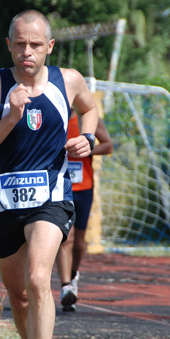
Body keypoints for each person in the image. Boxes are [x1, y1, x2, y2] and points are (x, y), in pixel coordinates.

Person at [0, 10, 99, 339]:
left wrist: (87, 137)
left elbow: (90, 109)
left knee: (40, 277)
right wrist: (10, 117)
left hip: (52, 197)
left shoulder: (69, 80)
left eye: (36, 45)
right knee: (19, 296)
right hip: (6, 202)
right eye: (20, 44)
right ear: (9, 45)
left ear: (49, 47)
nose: (27, 52)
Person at [56, 114, 113, 311]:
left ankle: (72, 275)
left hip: (83, 187)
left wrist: (89, 150)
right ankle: (65, 287)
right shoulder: (55, 112)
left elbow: (108, 145)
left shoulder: (87, 118)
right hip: (59, 187)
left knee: (79, 243)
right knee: (67, 238)